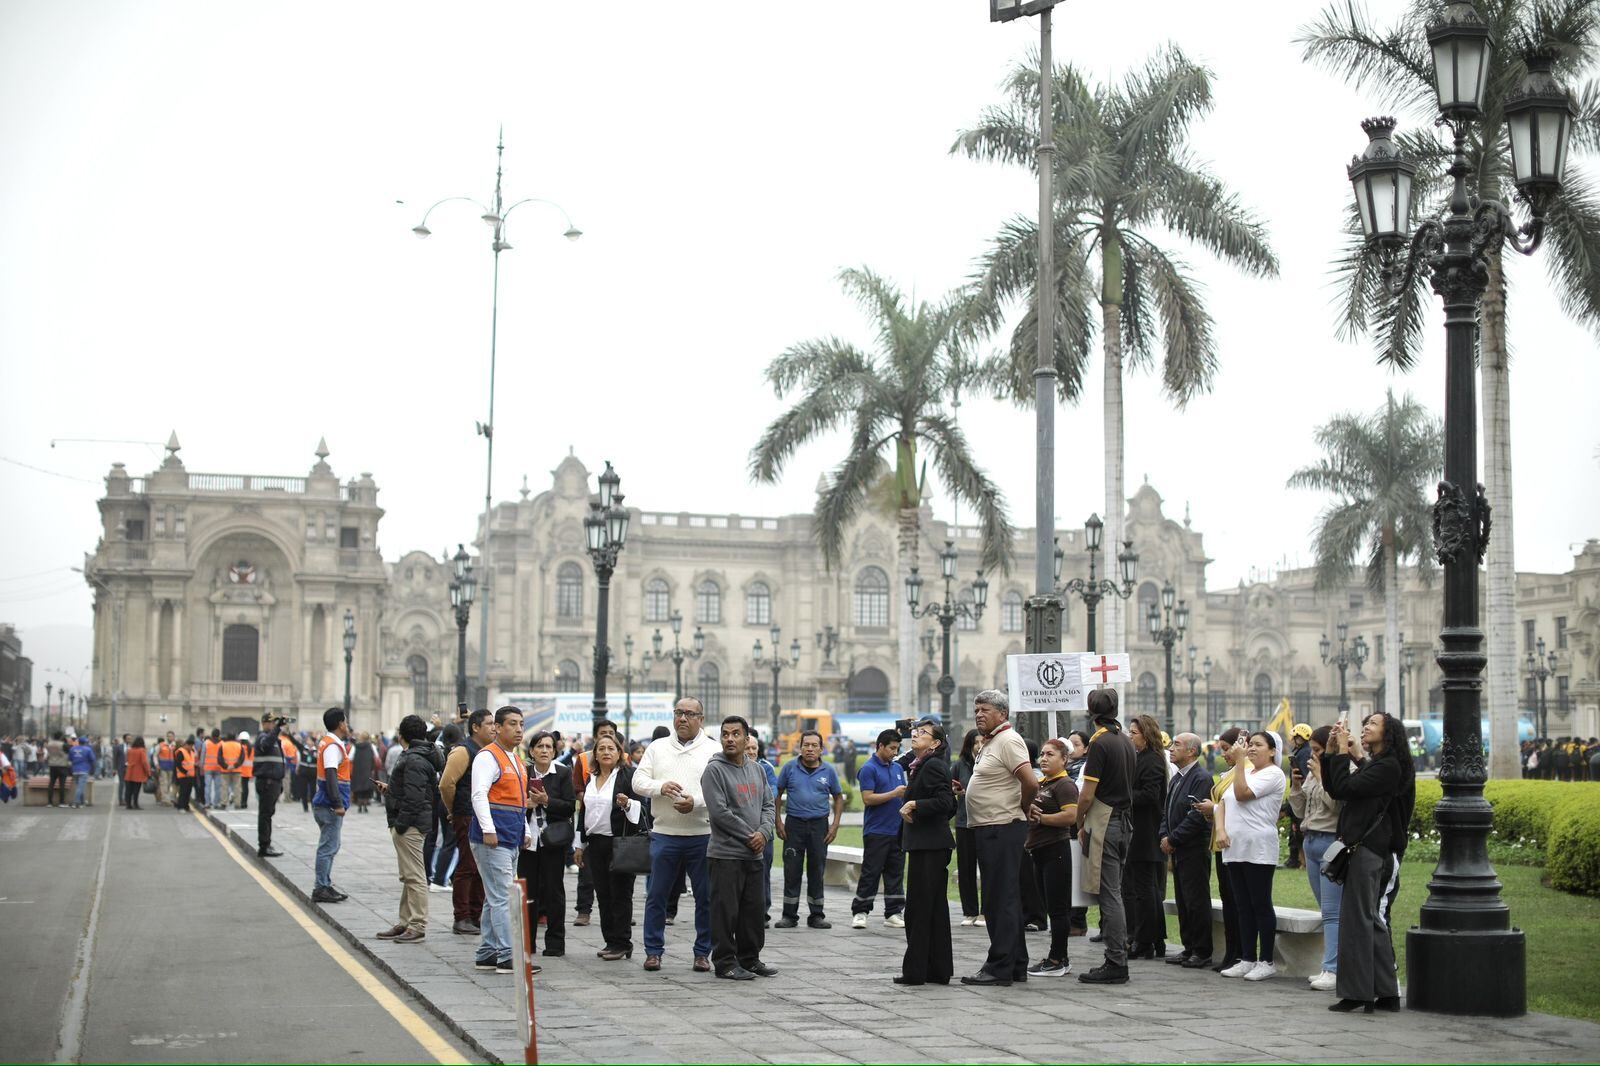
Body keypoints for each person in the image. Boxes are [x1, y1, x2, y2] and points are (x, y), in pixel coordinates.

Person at [1323, 711, 1414, 1013]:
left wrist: (1338, 753)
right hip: (1370, 849)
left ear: (1389, 734)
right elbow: (1347, 784)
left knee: (1358, 920)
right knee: (1370, 919)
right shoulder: (1383, 766)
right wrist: (1336, 753)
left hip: (1374, 851)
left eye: (1372, 724)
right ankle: (1386, 992)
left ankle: (1359, 993)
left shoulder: (1389, 767)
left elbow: (1345, 788)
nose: (1365, 728)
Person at [631, 696, 719, 973]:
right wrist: (660, 787)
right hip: (665, 833)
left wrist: (696, 802)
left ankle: (703, 952)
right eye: (678, 713)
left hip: (702, 834)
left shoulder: (713, 750)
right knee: (656, 895)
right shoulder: (657, 747)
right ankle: (653, 951)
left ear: (700, 719)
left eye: (689, 714)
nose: (682, 718)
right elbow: (638, 781)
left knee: (705, 897)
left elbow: (719, 790)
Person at [960, 690, 1036, 987]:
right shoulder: (992, 742)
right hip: (992, 827)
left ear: (1002, 714)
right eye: (976, 709)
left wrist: (1022, 806)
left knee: (997, 900)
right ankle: (1016, 963)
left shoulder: (1008, 740)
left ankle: (998, 966)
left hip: (1002, 827)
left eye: (985, 710)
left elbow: (1030, 781)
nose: (979, 714)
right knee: (1005, 899)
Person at [700, 716, 778, 980]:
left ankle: (750, 958)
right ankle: (724, 962)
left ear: (747, 739)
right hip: (726, 855)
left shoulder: (756, 770)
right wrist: (750, 835)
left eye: (735, 734)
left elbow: (769, 805)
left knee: (753, 912)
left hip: (754, 854)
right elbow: (719, 813)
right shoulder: (714, 770)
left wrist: (764, 833)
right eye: (725, 734)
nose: (730, 739)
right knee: (725, 913)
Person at [1075, 687, 1136, 985]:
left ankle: (1115, 961)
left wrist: (1078, 820)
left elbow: (1087, 794)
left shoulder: (1099, 743)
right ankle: (1117, 956)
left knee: (1109, 893)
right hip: (1124, 821)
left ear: (1091, 713)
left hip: (1105, 820)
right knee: (1116, 891)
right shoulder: (1124, 740)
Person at [1214, 730, 1287, 981]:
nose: (1252, 749)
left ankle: (1266, 960)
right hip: (1234, 847)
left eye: (1258, 745)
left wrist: (1240, 763)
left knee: (1260, 904)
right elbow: (1222, 803)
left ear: (1272, 750)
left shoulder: (1273, 774)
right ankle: (1247, 958)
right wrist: (1221, 830)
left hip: (1258, 848)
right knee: (1241, 905)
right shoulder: (1245, 771)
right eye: (1250, 744)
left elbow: (1243, 794)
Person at [469, 706, 535, 976]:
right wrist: (488, 829)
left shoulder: (516, 759)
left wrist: (525, 831)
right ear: (497, 727)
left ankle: (488, 951)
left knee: (493, 896)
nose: (519, 729)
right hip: (493, 839)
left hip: (510, 836)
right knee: (503, 897)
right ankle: (509, 954)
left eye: (521, 724)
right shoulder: (488, 757)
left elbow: (517, 800)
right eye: (512, 724)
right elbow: (479, 795)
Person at [893, 720, 957, 985]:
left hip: (930, 846)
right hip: (925, 844)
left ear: (936, 743)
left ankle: (916, 971)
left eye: (923, 733)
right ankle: (936, 969)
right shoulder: (920, 765)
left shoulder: (933, 766)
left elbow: (947, 803)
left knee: (920, 910)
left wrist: (914, 804)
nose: (915, 735)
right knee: (931, 909)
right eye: (914, 732)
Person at [575, 732, 644, 960]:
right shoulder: (591, 778)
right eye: (601, 748)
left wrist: (627, 804)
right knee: (602, 893)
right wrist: (580, 844)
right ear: (594, 754)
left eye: (610, 749)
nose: (606, 752)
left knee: (620, 894)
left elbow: (642, 809)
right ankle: (610, 940)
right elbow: (584, 811)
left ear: (619, 753)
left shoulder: (628, 776)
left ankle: (623, 942)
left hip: (619, 842)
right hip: (595, 842)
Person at [376, 714, 444, 944]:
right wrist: (391, 790)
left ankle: (417, 925)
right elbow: (418, 790)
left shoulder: (414, 759)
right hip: (414, 821)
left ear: (401, 735)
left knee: (414, 876)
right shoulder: (419, 756)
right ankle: (405, 921)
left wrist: (401, 824)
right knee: (409, 875)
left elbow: (415, 799)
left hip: (411, 824)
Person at [773, 728, 844, 930]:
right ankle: (789, 915)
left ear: (821, 749)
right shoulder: (789, 768)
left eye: (814, 745)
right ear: (800, 747)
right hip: (794, 825)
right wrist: (778, 821)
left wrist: (835, 825)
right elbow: (777, 795)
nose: (810, 749)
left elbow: (838, 798)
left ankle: (816, 916)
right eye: (806, 745)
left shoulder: (828, 771)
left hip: (819, 826)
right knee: (792, 870)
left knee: (816, 870)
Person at [1290, 724, 1342, 992]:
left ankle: (1332, 969)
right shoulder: (1313, 773)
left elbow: (1335, 804)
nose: (1313, 756)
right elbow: (1300, 811)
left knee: (1333, 912)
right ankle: (1332, 965)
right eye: (1312, 751)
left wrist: (1322, 777)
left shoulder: (1337, 772)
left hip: (1329, 840)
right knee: (1326, 910)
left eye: (1319, 750)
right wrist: (1297, 786)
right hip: (1310, 841)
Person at [1158, 732, 1214, 969]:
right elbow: (1167, 810)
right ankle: (1188, 946)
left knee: (1196, 900)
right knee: (1183, 899)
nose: (1171, 748)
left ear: (1191, 751)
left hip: (1193, 848)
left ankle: (1201, 950)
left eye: (1177, 745)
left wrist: (1174, 838)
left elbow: (1197, 816)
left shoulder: (1201, 778)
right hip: (1177, 847)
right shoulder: (1177, 778)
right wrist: (1164, 835)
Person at [1024, 737, 1079, 978]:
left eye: (1050, 755)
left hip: (1055, 849)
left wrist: (1042, 819)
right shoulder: (1043, 783)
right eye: (1042, 754)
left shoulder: (1064, 785)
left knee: (1058, 909)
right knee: (1049, 906)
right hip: (1039, 850)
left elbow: (1070, 817)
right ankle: (1057, 957)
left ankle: (1058, 958)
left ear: (1064, 759)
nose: (1043, 758)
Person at [520, 731, 575, 958]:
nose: (544, 751)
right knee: (528, 892)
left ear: (555, 751)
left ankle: (555, 944)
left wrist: (547, 801)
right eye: (540, 746)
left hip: (553, 840)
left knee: (554, 891)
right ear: (532, 751)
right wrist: (530, 804)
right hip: (527, 841)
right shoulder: (523, 772)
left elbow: (569, 806)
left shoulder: (562, 772)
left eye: (549, 747)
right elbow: (516, 804)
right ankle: (528, 943)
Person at [1195, 727, 1246, 973]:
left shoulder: (1245, 773)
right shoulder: (1230, 772)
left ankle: (1239, 953)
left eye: (1226, 749)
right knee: (1228, 899)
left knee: (1235, 901)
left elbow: (1233, 805)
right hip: (1220, 841)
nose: (1223, 754)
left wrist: (1212, 809)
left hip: (1232, 842)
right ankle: (1231, 952)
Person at [441, 710, 495, 936]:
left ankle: (475, 914)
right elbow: (446, 785)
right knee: (468, 865)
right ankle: (461, 916)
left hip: (484, 815)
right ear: (475, 727)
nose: (494, 728)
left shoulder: (488, 752)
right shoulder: (464, 750)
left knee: (481, 867)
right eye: (489, 724)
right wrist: (454, 810)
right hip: (467, 813)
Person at [852, 729, 909, 930]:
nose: (895, 752)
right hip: (877, 831)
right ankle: (860, 911)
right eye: (892, 748)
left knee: (895, 873)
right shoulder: (869, 768)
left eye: (897, 748)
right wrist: (893, 793)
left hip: (897, 830)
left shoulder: (896, 768)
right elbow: (868, 798)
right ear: (880, 746)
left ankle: (893, 912)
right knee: (871, 873)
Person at [1123, 714, 1169, 960]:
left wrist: (1124, 793)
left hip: (1145, 831)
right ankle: (1153, 939)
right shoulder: (1143, 758)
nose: (1130, 736)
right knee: (1146, 888)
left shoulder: (1151, 760)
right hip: (1141, 830)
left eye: (1134, 732)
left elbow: (1151, 795)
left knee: (1144, 890)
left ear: (1146, 735)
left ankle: (1144, 941)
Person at [311, 708, 354, 904]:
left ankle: (325, 884)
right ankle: (321, 887)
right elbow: (331, 775)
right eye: (344, 721)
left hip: (325, 804)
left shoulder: (329, 743)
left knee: (331, 845)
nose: (346, 724)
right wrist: (337, 803)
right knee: (328, 847)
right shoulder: (332, 747)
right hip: (329, 805)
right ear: (340, 724)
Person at [951, 729, 986, 927]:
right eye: (976, 742)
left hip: (985, 821)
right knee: (966, 868)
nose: (979, 745)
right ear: (969, 745)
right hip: (964, 821)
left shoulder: (991, 762)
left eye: (983, 741)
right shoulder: (960, 765)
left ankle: (985, 912)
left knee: (987, 867)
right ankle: (969, 911)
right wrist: (957, 791)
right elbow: (949, 786)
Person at [252, 714, 292, 858]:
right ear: (264, 723)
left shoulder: (274, 739)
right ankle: (264, 845)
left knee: (268, 814)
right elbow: (266, 744)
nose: (274, 725)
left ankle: (266, 844)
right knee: (265, 814)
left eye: (275, 723)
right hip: (267, 781)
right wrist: (276, 729)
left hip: (273, 782)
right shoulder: (263, 737)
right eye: (271, 723)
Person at [351, 732, 378, 814]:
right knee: (366, 789)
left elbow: (350, 757)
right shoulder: (371, 746)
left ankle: (359, 806)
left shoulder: (355, 747)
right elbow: (376, 756)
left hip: (358, 770)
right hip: (368, 770)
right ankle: (365, 806)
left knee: (359, 789)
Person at [122, 736, 150, 809]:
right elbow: (144, 762)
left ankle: (128, 804)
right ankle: (135, 804)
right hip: (138, 773)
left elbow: (127, 760)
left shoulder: (129, 750)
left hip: (129, 772)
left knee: (128, 789)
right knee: (136, 790)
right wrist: (148, 772)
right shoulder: (142, 750)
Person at [69, 734, 97, 808]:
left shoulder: (72, 749)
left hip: (75, 770)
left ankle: (82, 802)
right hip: (84, 770)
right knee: (80, 787)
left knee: (79, 786)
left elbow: (70, 759)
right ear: (85, 742)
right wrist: (92, 769)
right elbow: (93, 760)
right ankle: (76, 802)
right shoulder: (88, 749)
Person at [46, 732, 70, 807]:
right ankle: (61, 802)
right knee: (62, 784)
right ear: (60, 737)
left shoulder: (49, 744)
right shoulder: (63, 744)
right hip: (62, 765)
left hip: (52, 765)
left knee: (51, 784)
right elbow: (68, 751)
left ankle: (49, 802)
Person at [174, 738, 197, 810]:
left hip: (191, 775)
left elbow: (191, 763)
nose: (191, 747)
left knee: (188, 792)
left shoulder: (192, 752)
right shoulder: (181, 752)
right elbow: (178, 764)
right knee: (183, 792)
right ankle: (181, 806)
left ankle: (186, 805)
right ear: (186, 745)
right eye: (190, 746)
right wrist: (185, 772)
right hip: (183, 775)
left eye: (192, 746)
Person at [155, 732, 176, 806]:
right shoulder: (161, 745)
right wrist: (157, 764)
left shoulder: (175, 745)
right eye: (168, 736)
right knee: (164, 783)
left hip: (171, 767)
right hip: (163, 767)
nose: (170, 738)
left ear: (173, 737)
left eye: (171, 736)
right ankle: (165, 800)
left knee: (169, 783)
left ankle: (165, 798)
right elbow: (155, 755)